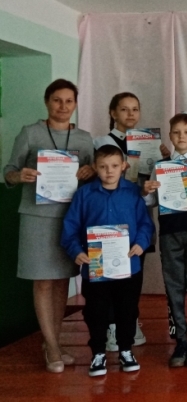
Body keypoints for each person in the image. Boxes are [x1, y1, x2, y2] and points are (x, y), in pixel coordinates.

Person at [3, 79, 95, 373]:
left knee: (61, 281)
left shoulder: (84, 138)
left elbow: (93, 175)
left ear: (75, 104)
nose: (63, 106)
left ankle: (52, 341)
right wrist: (19, 176)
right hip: (37, 217)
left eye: (69, 101)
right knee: (42, 281)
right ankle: (53, 347)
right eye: (57, 100)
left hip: (70, 218)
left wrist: (90, 171)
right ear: (47, 102)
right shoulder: (30, 133)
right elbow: (9, 170)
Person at [60, 145, 154, 377]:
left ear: (124, 166)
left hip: (128, 266)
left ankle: (126, 350)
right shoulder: (84, 194)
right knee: (96, 311)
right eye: (103, 166)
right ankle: (98, 353)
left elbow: (145, 223)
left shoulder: (133, 192)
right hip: (95, 268)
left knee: (127, 310)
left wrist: (141, 243)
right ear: (95, 167)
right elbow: (70, 227)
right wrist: (76, 251)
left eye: (114, 166)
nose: (109, 171)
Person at [92, 92, 167, 352]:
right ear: (113, 113)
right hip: (108, 217)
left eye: (135, 109)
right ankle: (112, 326)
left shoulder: (151, 144)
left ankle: (130, 320)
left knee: (134, 272)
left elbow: (156, 186)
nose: (131, 114)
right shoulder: (101, 143)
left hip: (137, 215)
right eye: (124, 109)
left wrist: (165, 160)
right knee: (109, 274)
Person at [141, 113, 187, 368]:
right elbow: (152, 202)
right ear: (170, 136)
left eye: (186, 132)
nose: (181, 137)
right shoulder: (161, 165)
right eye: (176, 132)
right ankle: (180, 340)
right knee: (173, 286)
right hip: (170, 233)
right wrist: (146, 191)